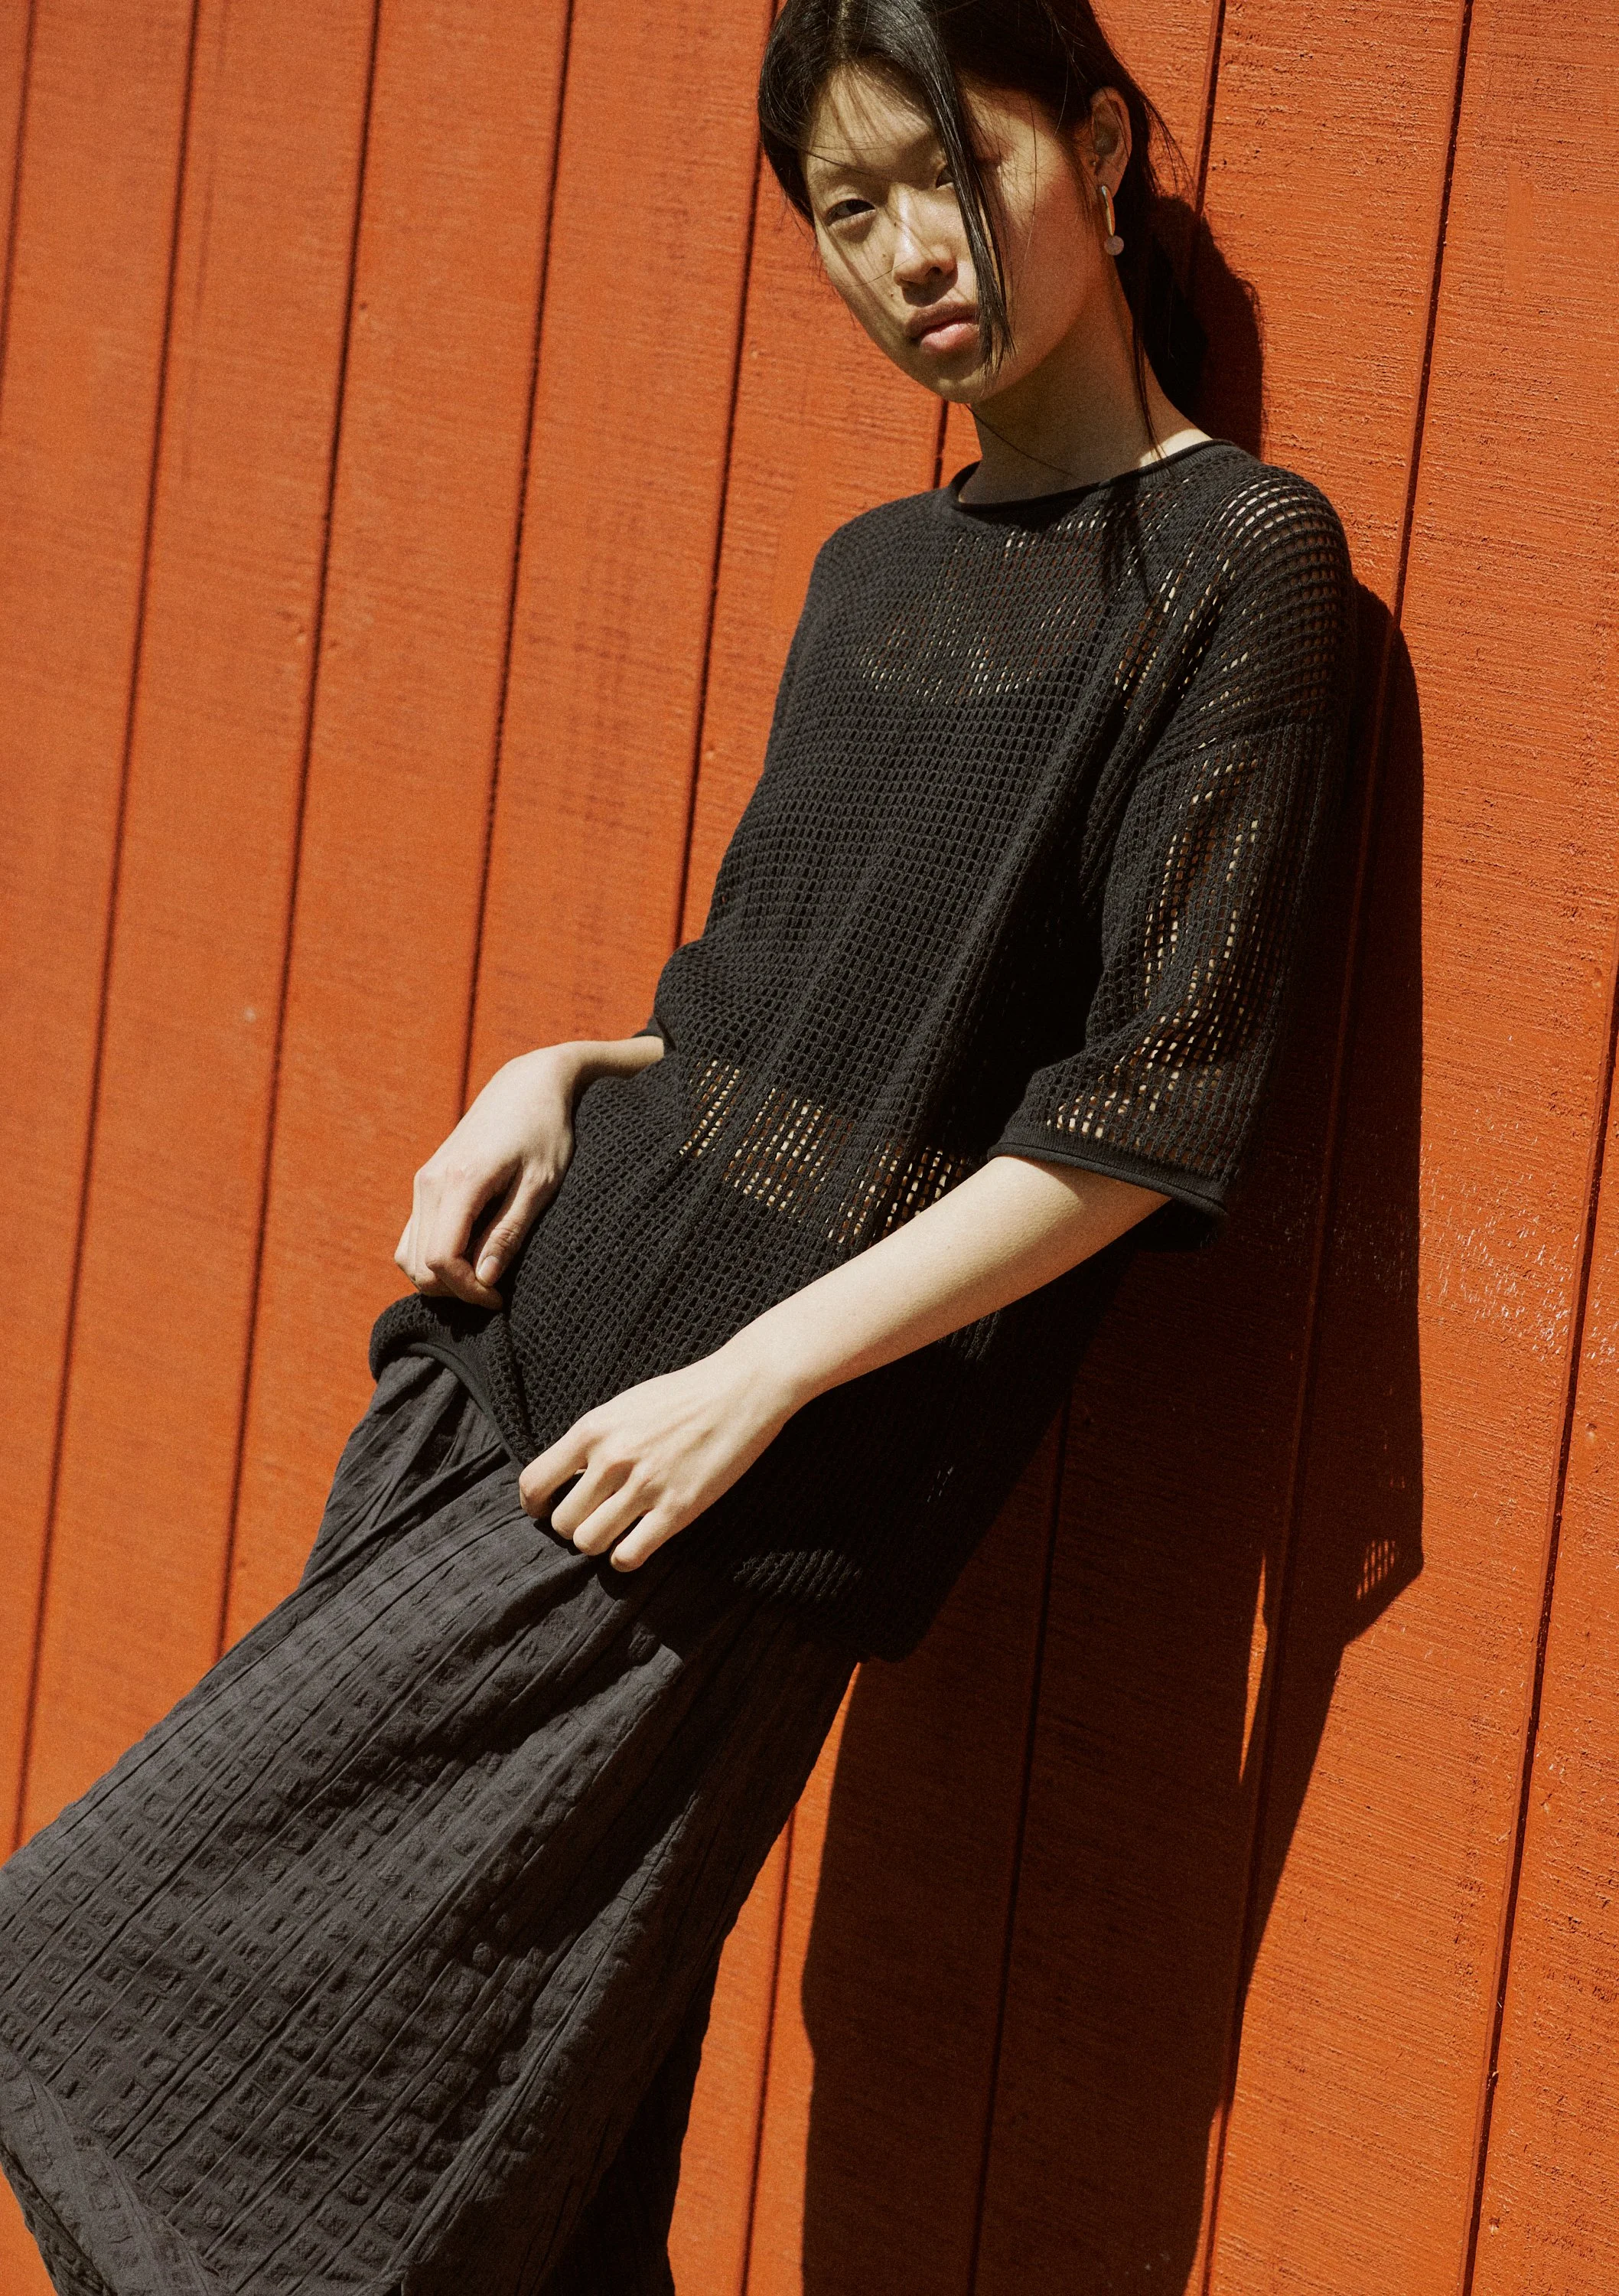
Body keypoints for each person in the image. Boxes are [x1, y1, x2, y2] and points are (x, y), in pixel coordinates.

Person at [0, 1, 1357, 2288]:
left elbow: (1142, 1111)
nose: (915, 250)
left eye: (957, 169)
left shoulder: (1234, 565)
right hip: (504, 1379)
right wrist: (563, 1066)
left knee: (92, 1974)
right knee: (527, 2189)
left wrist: (762, 1386)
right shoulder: (872, 570)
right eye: (846, 209)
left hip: (706, 1485)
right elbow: (781, 1007)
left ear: (1101, 147)